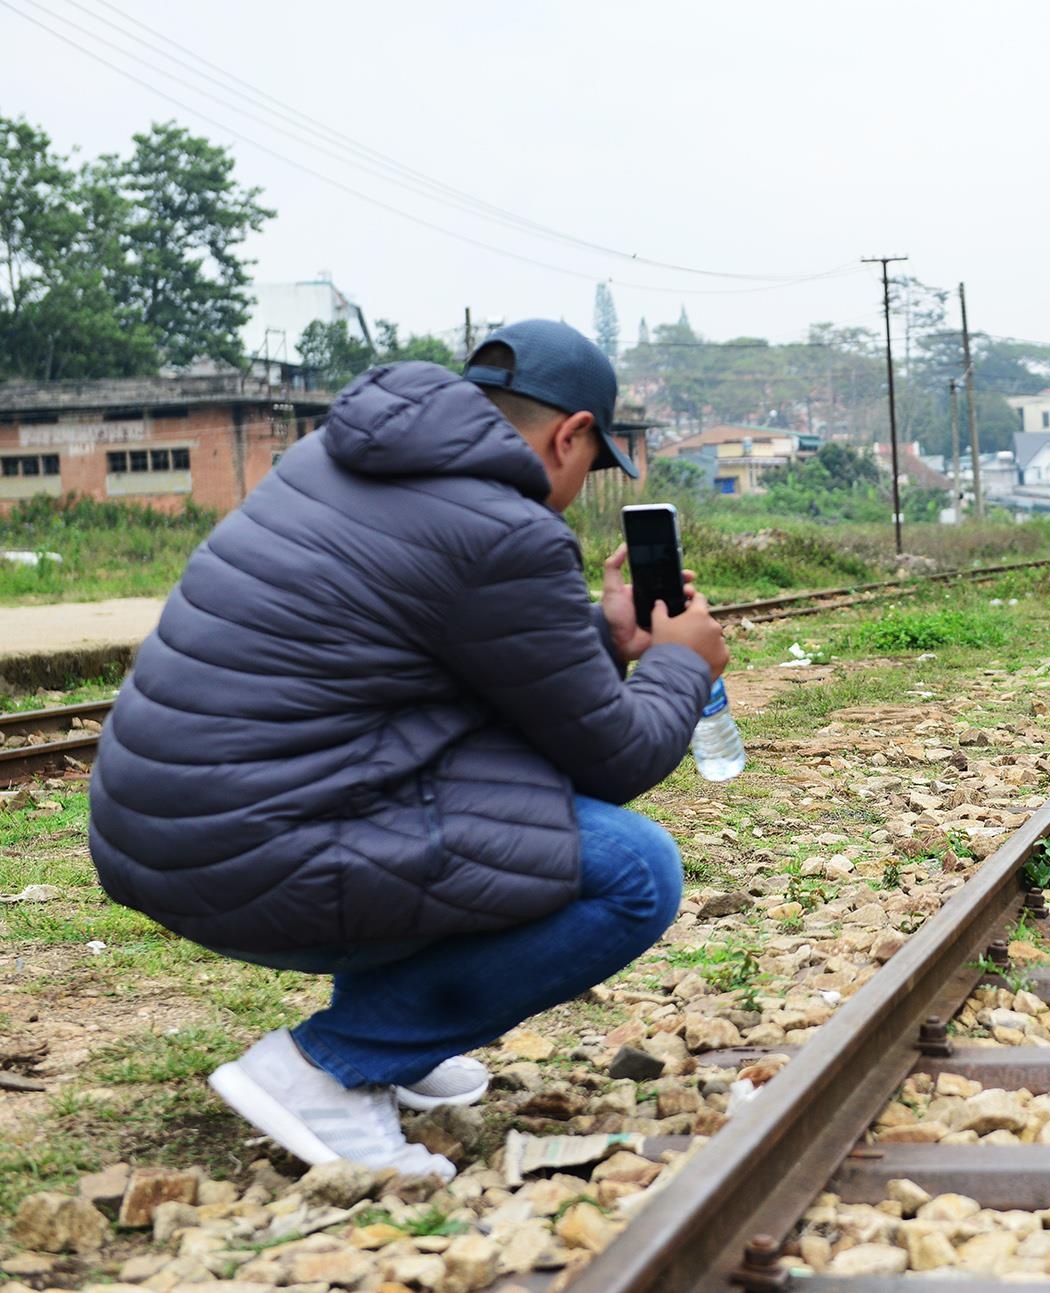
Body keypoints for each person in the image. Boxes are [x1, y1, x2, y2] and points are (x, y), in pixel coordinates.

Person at [88, 321, 728, 1179]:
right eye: (593, 462)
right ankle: (332, 1064)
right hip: (247, 852)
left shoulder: (333, 461)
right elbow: (617, 757)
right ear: (570, 434)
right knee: (635, 870)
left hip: (158, 834)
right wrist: (684, 661)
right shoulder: (505, 529)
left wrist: (606, 635)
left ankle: (402, 1031)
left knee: (500, 788)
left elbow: (465, 672)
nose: (582, 485)